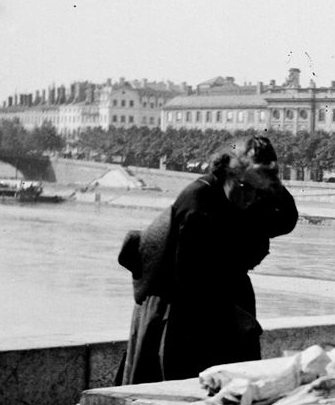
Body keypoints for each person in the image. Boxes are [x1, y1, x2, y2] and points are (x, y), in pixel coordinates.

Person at [116, 134, 299, 384]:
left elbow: (285, 221)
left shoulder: (249, 193)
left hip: (224, 293)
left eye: (258, 191)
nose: (250, 198)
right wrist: (237, 318)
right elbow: (189, 278)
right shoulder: (197, 199)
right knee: (184, 383)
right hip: (179, 304)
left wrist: (274, 185)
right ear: (225, 173)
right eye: (244, 188)